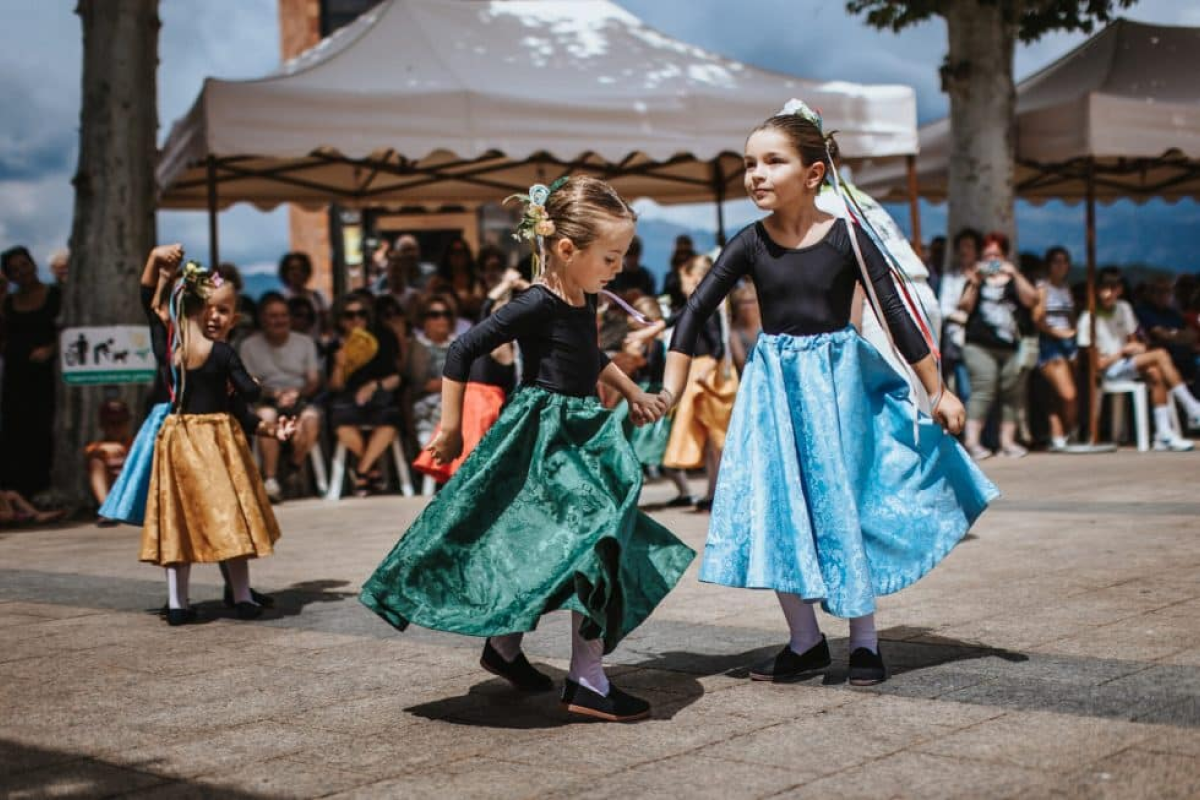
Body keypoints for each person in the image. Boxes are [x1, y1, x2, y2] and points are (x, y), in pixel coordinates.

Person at [661, 101, 996, 687]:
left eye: (772, 161)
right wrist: (668, 387)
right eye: (749, 164)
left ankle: (864, 642)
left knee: (844, 503)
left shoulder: (849, 238)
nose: (756, 174)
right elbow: (694, 312)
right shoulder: (749, 243)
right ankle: (805, 640)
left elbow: (895, 312)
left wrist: (937, 389)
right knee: (780, 505)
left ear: (813, 174)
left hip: (839, 384)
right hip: (773, 388)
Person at [360, 176, 694, 723]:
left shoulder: (583, 295)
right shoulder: (535, 302)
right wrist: (449, 429)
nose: (620, 267)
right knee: (590, 545)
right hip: (544, 436)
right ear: (566, 248)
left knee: (563, 549)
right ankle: (586, 681)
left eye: (623, 255)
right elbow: (463, 349)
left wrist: (635, 394)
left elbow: (587, 355)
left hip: (583, 433)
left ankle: (507, 649)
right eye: (611, 256)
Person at [140, 261, 291, 626]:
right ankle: (234, 596)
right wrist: (250, 380)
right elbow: (250, 393)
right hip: (215, 444)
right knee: (230, 517)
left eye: (223, 310)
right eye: (209, 309)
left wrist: (271, 431)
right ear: (197, 310)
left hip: (178, 441)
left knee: (181, 522)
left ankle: (185, 602)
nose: (215, 317)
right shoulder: (221, 355)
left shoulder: (174, 354)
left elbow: (244, 411)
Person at [1078, 268, 1200, 450]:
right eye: (1104, 288)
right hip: (1108, 369)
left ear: (1119, 290)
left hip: (1128, 363)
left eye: (1113, 289)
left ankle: (1163, 434)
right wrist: (1121, 353)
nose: (1108, 294)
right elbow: (1098, 364)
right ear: (1095, 290)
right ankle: (1192, 407)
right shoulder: (1088, 319)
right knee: (1160, 354)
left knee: (1155, 372)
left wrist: (1137, 348)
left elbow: (1133, 342)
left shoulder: (1124, 309)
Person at [660, 255, 735, 511]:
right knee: (711, 441)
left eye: (684, 280)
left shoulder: (710, 309)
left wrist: (708, 370)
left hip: (705, 373)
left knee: (716, 439)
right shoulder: (707, 307)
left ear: (695, 279)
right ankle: (713, 489)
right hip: (701, 372)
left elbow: (717, 346)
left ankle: (718, 490)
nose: (682, 286)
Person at [957, 231, 1038, 459]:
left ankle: (1007, 443)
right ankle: (971, 442)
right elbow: (964, 306)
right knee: (984, 387)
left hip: (1012, 346)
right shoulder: (976, 279)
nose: (992, 259)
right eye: (988, 255)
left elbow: (1032, 300)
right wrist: (974, 283)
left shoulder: (1014, 278)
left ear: (1005, 256)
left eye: (997, 255)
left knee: (1012, 394)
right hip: (979, 344)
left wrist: (1015, 274)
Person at [239, 293, 324, 502]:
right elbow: (246, 383)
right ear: (262, 319)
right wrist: (273, 394)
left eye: (284, 315)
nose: (279, 320)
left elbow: (313, 380)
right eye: (273, 316)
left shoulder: (305, 342)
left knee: (311, 419)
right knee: (266, 417)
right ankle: (271, 480)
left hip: (299, 397)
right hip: (265, 398)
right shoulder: (248, 346)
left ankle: (293, 468)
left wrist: (298, 393)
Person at [327, 295, 403, 496]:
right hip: (346, 401)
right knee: (340, 423)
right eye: (349, 315)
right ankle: (371, 470)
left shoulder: (382, 339)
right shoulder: (334, 345)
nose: (356, 320)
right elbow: (334, 386)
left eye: (361, 314)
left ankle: (361, 471)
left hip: (378, 397)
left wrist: (374, 385)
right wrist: (340, 365)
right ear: (340, 319)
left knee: (391, 420)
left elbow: (396, 377)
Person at [1, 246, 61, 496]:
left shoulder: (56, 294)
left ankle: (43, 486)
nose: (21, 272)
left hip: (45, 375)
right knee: (15, 431)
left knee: (43, 429)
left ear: (33, 264)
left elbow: (67, 329)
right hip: (16, 374)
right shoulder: (8, 302)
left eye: (24, 265)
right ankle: (19, 491)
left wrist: (51, 349)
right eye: (14, 270)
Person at [405, 294, 458, 489]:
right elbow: (421, 383)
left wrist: (447, 384)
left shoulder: (459, 342)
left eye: (446, 314)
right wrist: (456, 384)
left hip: (457, 401)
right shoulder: (418, 346)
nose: (441, 319)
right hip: (427, 406)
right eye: (434, 315)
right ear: (424, 320)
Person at [1033, 247, 1080, 450]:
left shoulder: (1066, 289)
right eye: (1056, 261)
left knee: (1061, 393)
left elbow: (1071, 316)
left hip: (1069, 344)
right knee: (1067, 393)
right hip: (1049, 342)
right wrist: (1058, 333)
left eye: (1064, 261)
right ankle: (1069, 430)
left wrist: (1074, 331)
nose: (1060, 266)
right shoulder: (1043, 287)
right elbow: (1037, 318)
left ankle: (1059, 433)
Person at [939, 228, 982, 404]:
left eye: (970, 246)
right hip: (958, 341)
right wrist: (967, 321)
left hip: (983, 342)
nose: (965, 251)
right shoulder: (950, 278)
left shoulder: (985, 275)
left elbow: (1002, 265)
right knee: (965, 391)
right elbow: (945, 310)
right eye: (961, 247)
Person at [86, 399, 133, 513]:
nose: (117, 427)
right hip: (114, 497)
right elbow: (89, 452)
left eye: (121, 422)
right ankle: (106, 509)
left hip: (135, 494)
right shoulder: (98, 447)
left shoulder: (137, 443)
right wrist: (105, 448)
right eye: (112, 423)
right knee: (96, 461)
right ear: (103, 425)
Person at [278, 252, 329, 336]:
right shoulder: (280, 299)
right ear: (285, 272)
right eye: (292, 269)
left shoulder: (319, 297)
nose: (297, 272)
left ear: (307, 272)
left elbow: (327, 327)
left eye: (301, 269)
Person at [435, 237, 485, 322]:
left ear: (467, 254)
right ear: (448, 255)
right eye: (453, 252)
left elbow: (482, 304)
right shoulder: (437, 282)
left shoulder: (477, 280)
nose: (458, 255)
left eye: (462, 251)